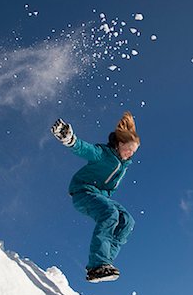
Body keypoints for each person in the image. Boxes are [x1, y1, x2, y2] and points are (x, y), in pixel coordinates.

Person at [51, 112, 140, 283]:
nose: (130, 154)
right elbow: (85, 149)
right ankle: (97, 264)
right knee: (110, 213)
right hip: (83, 192)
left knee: (127, 221)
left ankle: (104, 263)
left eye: (133, 152)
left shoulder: (122, 166)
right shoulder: (104, 154)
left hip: (100, 196)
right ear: (120, 144)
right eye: (129, 149)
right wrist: (71, 140)